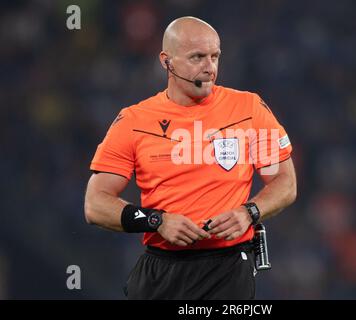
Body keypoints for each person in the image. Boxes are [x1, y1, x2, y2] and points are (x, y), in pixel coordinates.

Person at [84, 16, 297, 300]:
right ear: (166, 61)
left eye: (215, 56)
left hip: (228, 268)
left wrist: (249, 212)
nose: (209, 68)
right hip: (160, 270)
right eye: (197, 57)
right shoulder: (133, 121)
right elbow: (95, 204)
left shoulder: (249, 109)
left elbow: (285, 181)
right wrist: (157, 221)